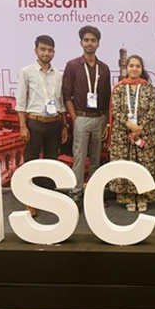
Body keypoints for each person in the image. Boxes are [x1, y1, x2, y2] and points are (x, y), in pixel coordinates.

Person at [15, 35, 68, 217]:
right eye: (43, 49)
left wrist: (64, 125)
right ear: (36, 50)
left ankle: (48, 198)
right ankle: (29, 201)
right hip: (34, 123)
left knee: (51, 162)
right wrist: (23, 126)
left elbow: (61, 102)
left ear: (54, 52)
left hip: (54, 123)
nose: (46, 53)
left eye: (50, 50)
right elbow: (21, 102)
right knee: (31, 163)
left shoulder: (58, 74)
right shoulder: (26, 72)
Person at [62, 25, 111, 205]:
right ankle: (76, 192)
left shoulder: (104, 68)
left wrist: (107, 122)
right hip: (81, 117)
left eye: (93, 40)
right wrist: (75, 119)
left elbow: (107, 97)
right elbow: (67, 95)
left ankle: (94, 192)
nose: (90, 43)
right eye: (86, 40)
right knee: (80, 158)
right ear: (81, 42)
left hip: (99, 118)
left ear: (98, 43)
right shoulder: (72, 66)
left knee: (96, 158)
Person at [108, 55, 155, 212]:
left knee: (144, 165)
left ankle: (143, 196)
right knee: (126, 165)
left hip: (145, 132)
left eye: (137, 66)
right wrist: (130, 125)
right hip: (123, 133)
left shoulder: (148, 87)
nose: (134, 69)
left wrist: (140, 127)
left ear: (141, 69)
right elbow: (115, 110)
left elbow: (153, 109)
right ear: (126, 68)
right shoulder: (119, 88)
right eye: (131, 65)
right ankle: (128, 197)